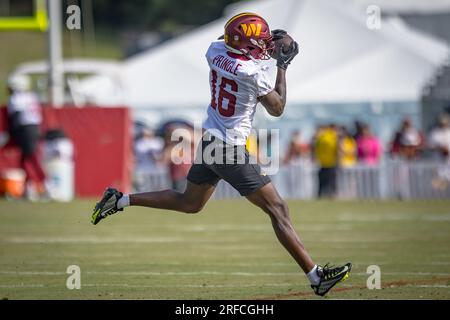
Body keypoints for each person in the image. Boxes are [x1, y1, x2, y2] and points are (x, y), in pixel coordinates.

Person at [90, 13, 351, 296]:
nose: (265, 45)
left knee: (190, 203)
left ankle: (120, 200)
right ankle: (316, 278)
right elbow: (277, 108)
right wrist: (283, 66)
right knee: (278, 209)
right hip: (228, 148)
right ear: (245, 44)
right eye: (260, 42)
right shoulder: (251, 73)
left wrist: (260, 40)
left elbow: (230, 41)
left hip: (210, 140)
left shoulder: (214, 51)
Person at [6, 75, 47, 200]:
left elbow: (16, 117)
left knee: (31, 159)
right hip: (35, 128)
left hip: (25, 130)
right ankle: (29, 187)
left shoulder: (16, 98)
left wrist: (10, 134)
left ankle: (44, 185)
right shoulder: (31, 96)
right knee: (26, 159)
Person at [313, 124, 339, 197]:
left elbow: (316, 149)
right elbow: (337, 150)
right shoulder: (332, 137)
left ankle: (320, 196)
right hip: (331, 163)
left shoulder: (320, 138)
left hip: (322, 164)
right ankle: (332, 195)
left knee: (321, 184)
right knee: (331, 184)